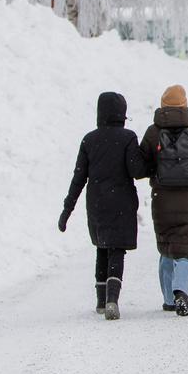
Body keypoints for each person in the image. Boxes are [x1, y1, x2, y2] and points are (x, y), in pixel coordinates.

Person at [58, 92, 147, 320]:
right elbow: (136, 171)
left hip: (96, 203)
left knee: (102, 246)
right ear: (122, 114)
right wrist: (150, 162)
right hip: (122, 202)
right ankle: (112, 300)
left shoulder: (89, 140)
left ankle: (100, 301)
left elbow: (78, 178)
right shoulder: (128, 137)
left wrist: (66, 211)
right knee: (117, 249)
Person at [140, 84, 188, 317]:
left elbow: (142, 166)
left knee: (167, 248)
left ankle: (168, 300)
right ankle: (181, 291)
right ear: (185, 104)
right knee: (186, 251)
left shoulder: (153, 133)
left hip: (163, 200)